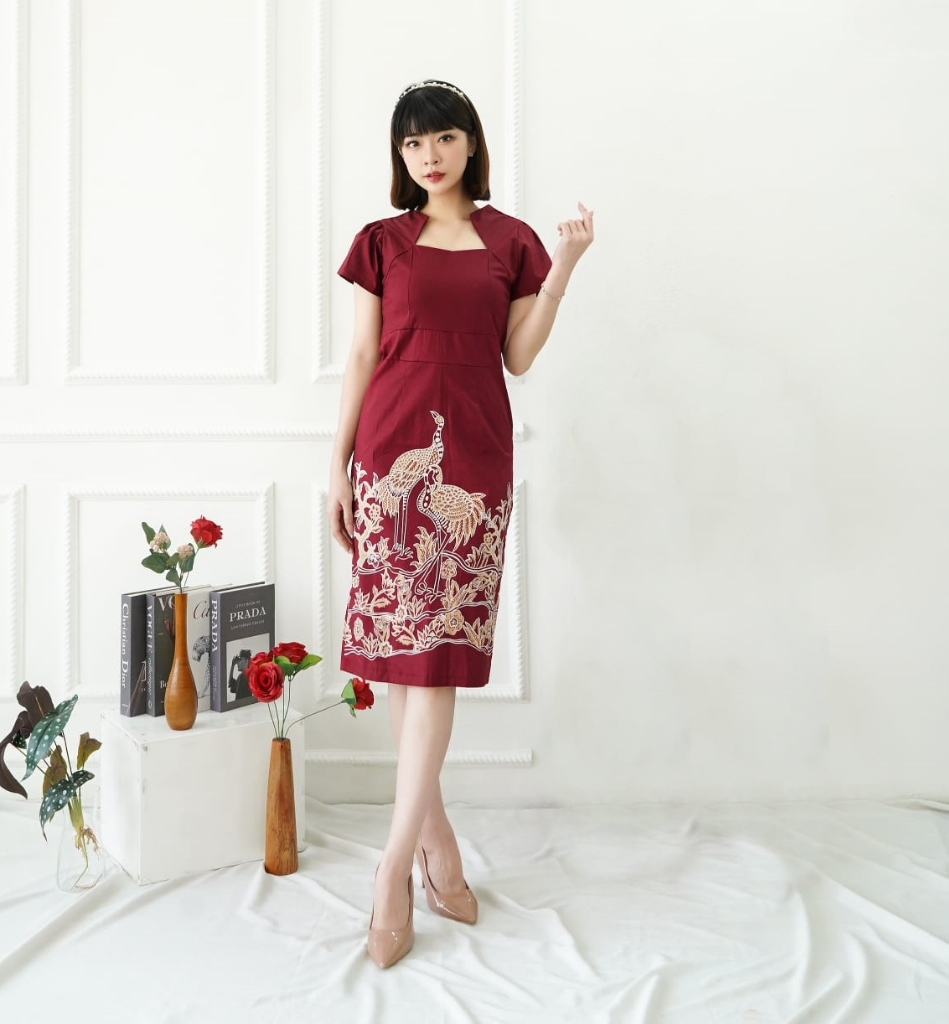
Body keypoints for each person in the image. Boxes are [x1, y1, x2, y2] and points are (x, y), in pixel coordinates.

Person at [326, 78, 594, 968]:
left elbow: (517, 355)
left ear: (470, 143)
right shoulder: (381, 242)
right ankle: (423, 852)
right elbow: (363, 354)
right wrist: (336, 466)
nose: (428, 156)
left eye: (442, 138)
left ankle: (399, 860)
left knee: (434, 658)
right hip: (388, 455)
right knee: (406, 661)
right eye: (412, 144)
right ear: (400, 157)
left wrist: (563, 270)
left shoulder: (511, 241)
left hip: (473, 460)